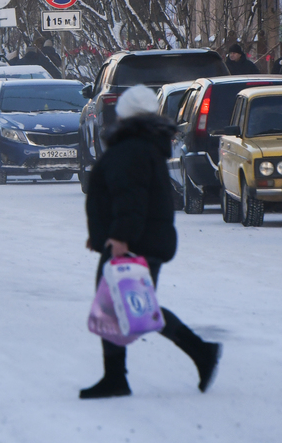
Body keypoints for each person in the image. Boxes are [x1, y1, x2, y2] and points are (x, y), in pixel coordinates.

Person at [80, 84, 222, 399]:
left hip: (134, 242)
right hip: (142, 239)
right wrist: (102, 234)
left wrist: (118, 238)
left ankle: (198, 352)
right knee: (125, 308)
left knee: (131, 308)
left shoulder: (131, 148)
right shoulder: (143, 145)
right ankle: (119, 376)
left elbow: (131, 199)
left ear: (123, 115)